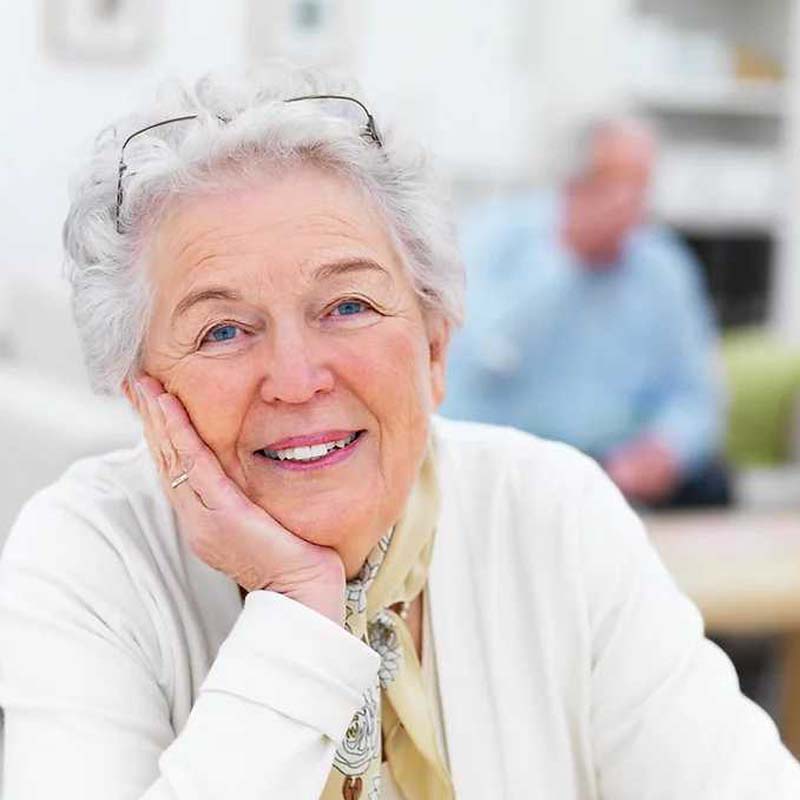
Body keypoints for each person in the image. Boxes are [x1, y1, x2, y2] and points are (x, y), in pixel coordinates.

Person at [0, 68, 797, 799]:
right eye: (223, 331)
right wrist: (297, 613)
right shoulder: (86, 554)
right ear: (146, 395)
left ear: (435, 344)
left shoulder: (552, 509)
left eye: (348, 307)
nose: (297, 377)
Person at [443, 118, 730, 508]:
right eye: (611, 183)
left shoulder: (663, 265)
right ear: (572, 184)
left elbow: (696, 395)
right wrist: (565, 261)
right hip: (516, 458)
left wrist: (666, 448)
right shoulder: (497, 238)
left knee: (713, 482)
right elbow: (474, 361)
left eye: (640, 187)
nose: (627, 203)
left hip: (615, 462)